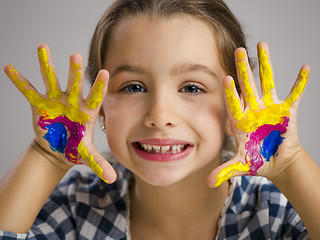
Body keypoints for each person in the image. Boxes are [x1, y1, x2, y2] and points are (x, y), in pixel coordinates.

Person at [0, 0, 319, 239]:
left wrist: (290, 165)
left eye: (192, 87)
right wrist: (46, 158)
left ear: (237, 107)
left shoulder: (274, 214)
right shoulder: (75, 206)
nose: (160, 116)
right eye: (133, 87)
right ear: (99, 108)